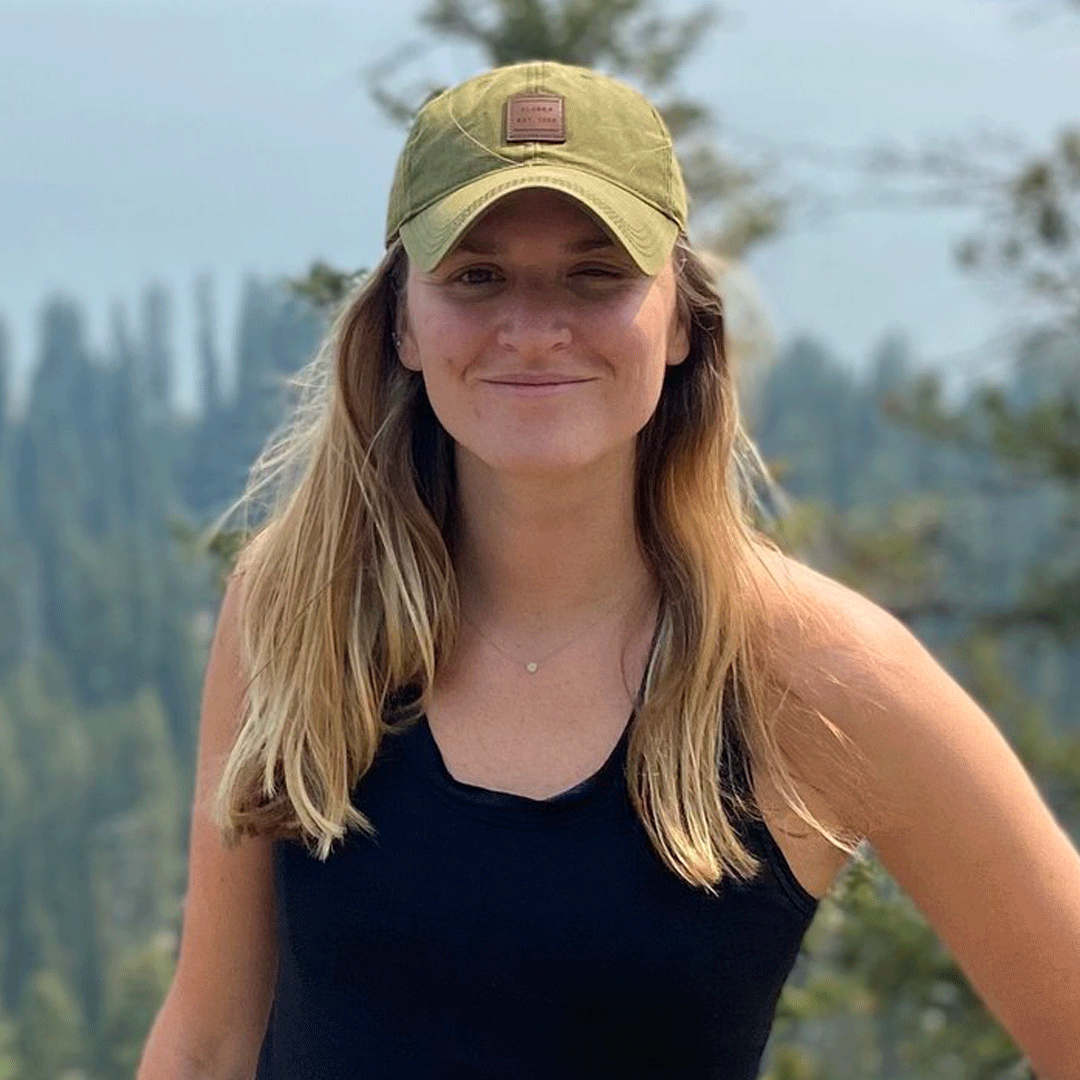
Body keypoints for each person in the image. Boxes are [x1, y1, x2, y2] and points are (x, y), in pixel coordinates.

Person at [137, 61, 1080, 1080]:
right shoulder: (300, 607)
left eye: (597, 275)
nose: (534, 328)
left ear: (681, 322)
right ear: (402, 321)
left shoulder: (820, 674)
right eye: (476, 276)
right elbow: (207, 1043)